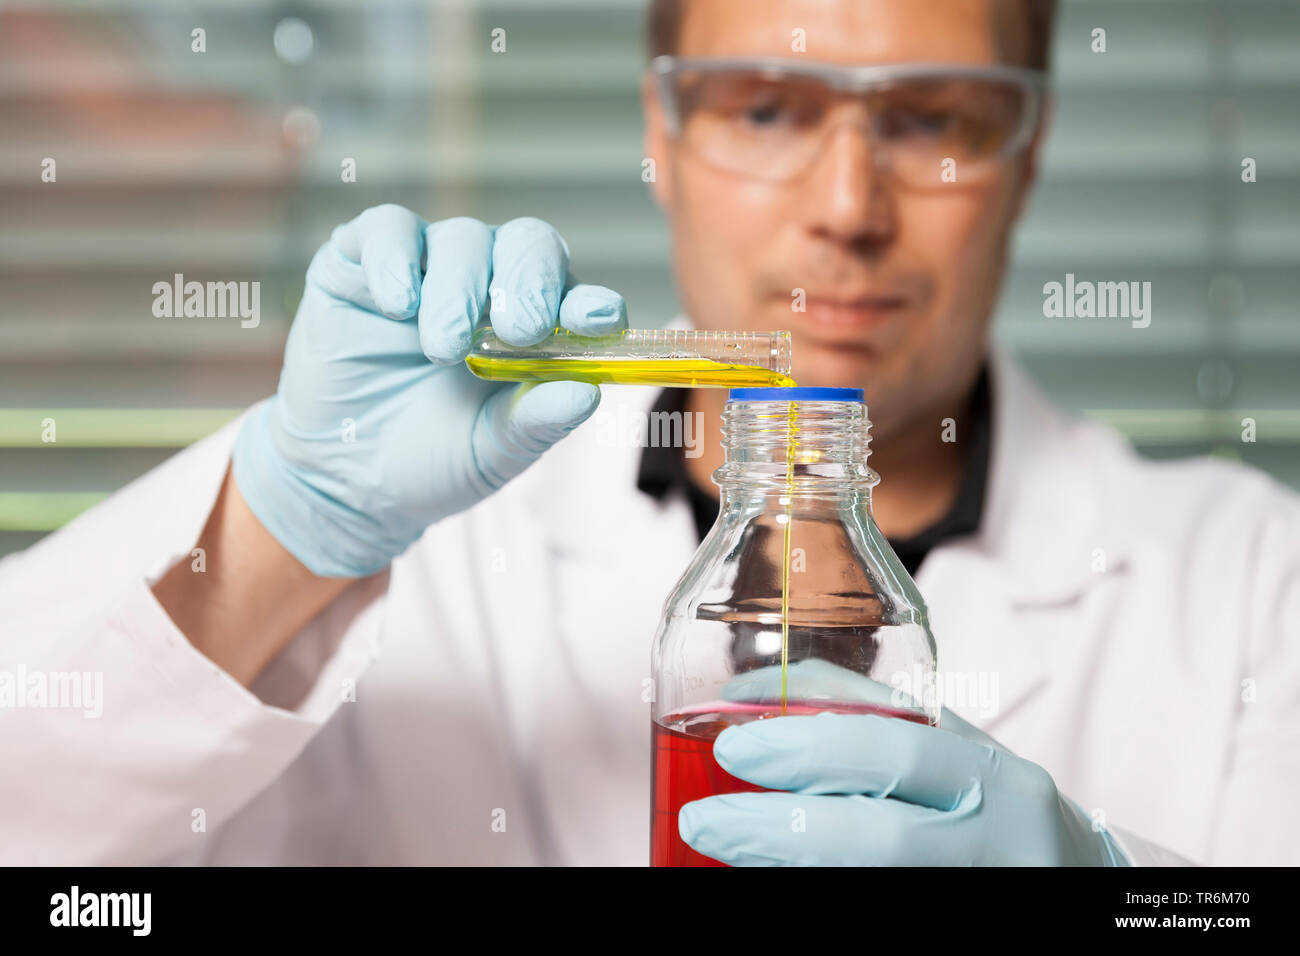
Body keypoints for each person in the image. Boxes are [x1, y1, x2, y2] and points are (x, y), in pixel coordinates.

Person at [2, 0, 1296, 866]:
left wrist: (1124, 889)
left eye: (931, 119)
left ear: (1026, 151)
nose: (848, 208)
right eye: (767, 110)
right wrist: (278, 532)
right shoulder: (437, 544)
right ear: (659, 137)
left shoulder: (1247, 579)